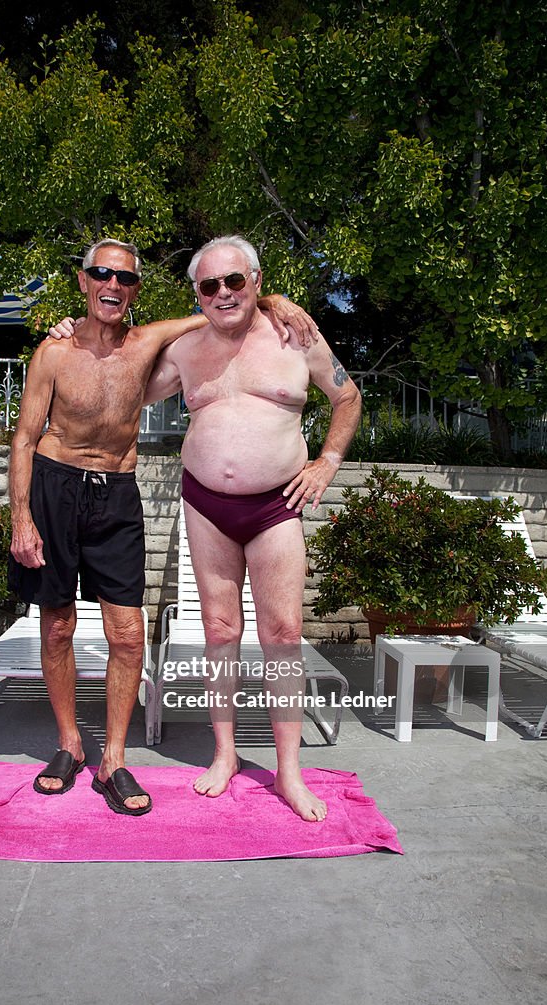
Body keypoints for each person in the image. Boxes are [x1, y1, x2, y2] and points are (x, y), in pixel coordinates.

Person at [10, 237, 317, 816]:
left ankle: (115, 760)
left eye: (125, 279)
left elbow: (225, 304)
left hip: (117, 494)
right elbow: (24, 437)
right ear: (83, 282)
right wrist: (21, 517)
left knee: (128, 636)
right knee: (57, 627)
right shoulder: (52, 350)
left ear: (136, 290)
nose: (113, 286)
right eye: (101, 275)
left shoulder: (150, 339)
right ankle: (69, 744)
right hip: (54, 484)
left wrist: (273, 298)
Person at [143, 236, 362, 821]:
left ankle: (289, 771)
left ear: (256, 280)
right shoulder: (186, 350)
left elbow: (348, 398)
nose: (224, 294)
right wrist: (76, 337)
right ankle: (225, 755)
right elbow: (124, 381)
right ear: (196, 295)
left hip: (276, 505)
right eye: (209, 286)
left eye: (235, 281)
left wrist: (327, 463)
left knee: (284, 634)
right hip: (206, 503)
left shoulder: (298, 337)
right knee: (219, 630)